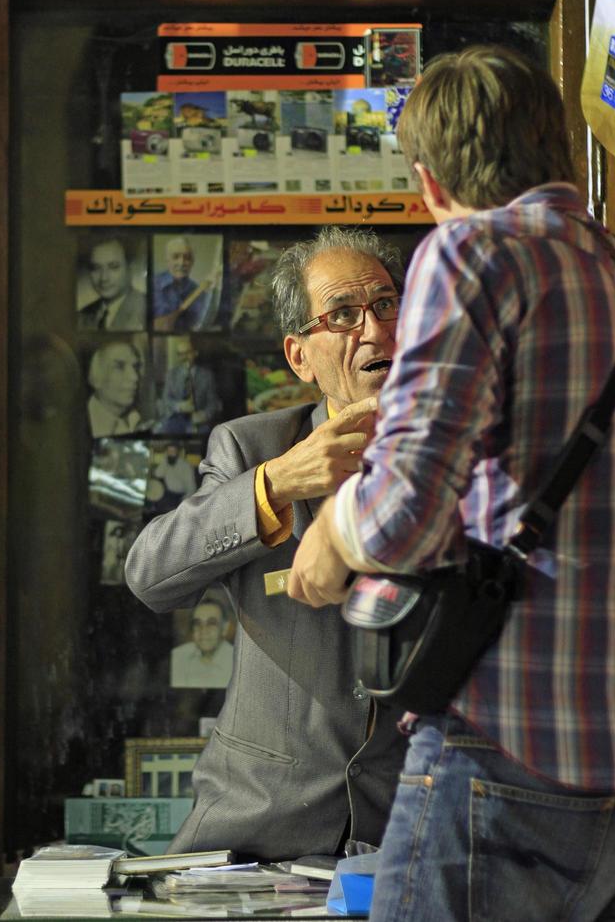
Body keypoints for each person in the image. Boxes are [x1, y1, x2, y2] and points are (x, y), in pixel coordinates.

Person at [288, 45, 615, 921]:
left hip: (508, 748)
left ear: (431, 186)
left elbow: (403, 514)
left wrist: (328, 533)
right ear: (559, 149)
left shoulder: (471, 254)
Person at [125, 225, 409, 861]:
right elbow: (149, 574)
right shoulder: (252, 448)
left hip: (408, 827)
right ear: (299, 356)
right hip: (257, 823)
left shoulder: (461, 450)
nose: (374, 329)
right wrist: (274, 484)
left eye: (386, 304)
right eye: (342, 314)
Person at [78, 236, 147, 331]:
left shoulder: (147, 309)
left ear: (130, 268)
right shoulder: (81, 316)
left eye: (113, 267)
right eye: (96, 268)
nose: (103, 278)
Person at [156, 337, 222, 436]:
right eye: (180, 354)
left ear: (195, 353)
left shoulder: (207, 375)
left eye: (187, 353)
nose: (184, 357)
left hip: (198, 421)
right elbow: (166, 399)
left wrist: (204, 415)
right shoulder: (171, 374)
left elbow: (213, 403)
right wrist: (179, 406)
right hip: (175, 418)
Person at [153, 235, 218, 332]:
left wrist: (213, 290)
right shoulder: (153, 285)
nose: (182, 262)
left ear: (192, 262)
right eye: (175, 257)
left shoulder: (200, 291)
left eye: (187, 258)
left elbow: (203, 324)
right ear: (167, 260)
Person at [170, 592, 234, 689]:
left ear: (224, 628)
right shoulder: (178, 656)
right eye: (197, 623)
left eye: (211, 623)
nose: (203, 630)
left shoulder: (237, 660)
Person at [87, 340, 144, 437]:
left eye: (135, 367)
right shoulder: (78, 425)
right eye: (119, 367)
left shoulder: (138, 420)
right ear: (96, 378)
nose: (134, 377)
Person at [152, 444, 198, 512]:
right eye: (168, 451)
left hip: (181, 495)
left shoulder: (185, 466)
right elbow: (158, 474)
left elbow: (191, 487)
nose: (170, 453)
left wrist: (184, 502)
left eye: (173, 451)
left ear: (177, 453)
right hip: (168, 493)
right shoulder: (166, 463)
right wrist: (164, 461)